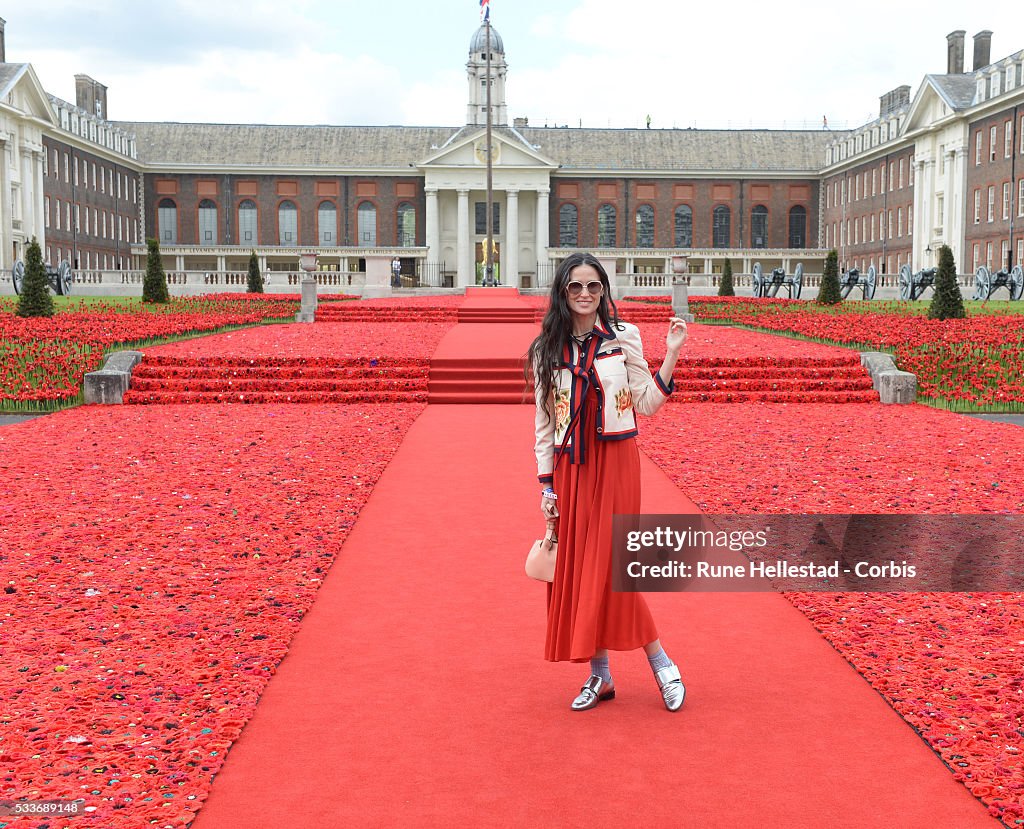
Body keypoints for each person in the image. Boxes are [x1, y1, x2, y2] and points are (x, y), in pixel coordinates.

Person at [528, 252, 688, 712]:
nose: (584, 295)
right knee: (581, 572)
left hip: (617, 463)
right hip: (570, 468)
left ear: (604, 290)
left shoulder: (624, 338)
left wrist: (672, 354)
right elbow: (544, 425)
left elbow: (648, 403)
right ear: (561, 292)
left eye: (593, 286)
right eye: (575, 286)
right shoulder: (547, 349)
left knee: (610, 567)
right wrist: (546, 487)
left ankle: (661, 663)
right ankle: (601, 676)